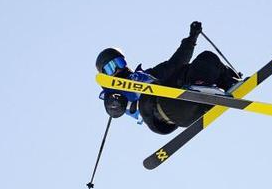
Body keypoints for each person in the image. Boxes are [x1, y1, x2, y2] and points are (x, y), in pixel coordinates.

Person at [96, 21, 241, 134]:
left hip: (186, 102)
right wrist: (114, 102)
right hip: (164, 110)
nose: (117, 69)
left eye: (118, 63)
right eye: (110, 68)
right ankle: (196, 93)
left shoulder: (146, 75)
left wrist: (191, 39)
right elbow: (114, 109)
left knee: (206, 58)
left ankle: (228, 83)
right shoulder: (113, 93)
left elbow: (175, 63)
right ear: (105, 76)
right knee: (154, 94)